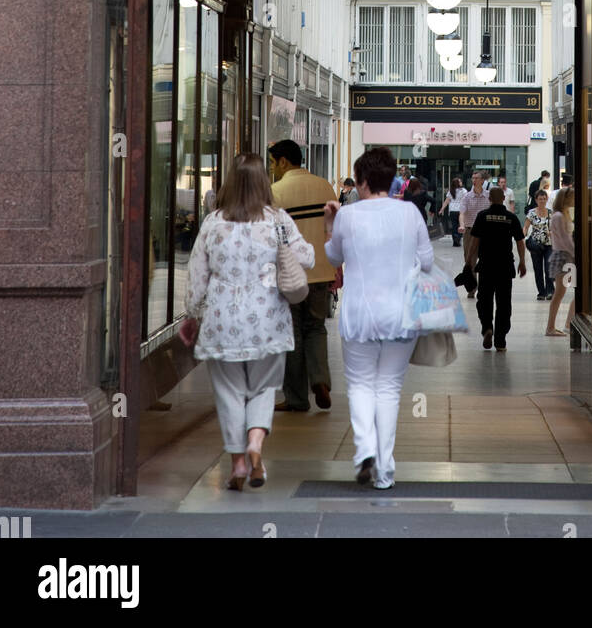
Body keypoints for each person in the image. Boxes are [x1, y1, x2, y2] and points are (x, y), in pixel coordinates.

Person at [185, 152, 314, 490]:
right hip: (267, 321)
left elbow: (197, 276)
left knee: (228, 393)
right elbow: (308, 257)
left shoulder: (213, 222)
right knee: (263, 389)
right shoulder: (277, 220)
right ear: (263, 183)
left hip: (222, 321)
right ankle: (255, 444)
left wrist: (190, 314)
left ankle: (238, 463)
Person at [324, 146, 433, 491]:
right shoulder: (410, 214)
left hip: (359, 315)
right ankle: (384, 471)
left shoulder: (348, 215)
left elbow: (333, 258)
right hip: (401, 315)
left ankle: (365, 451)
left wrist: (330, 226)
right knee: (388, 389)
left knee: (360, 385)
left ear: (364, 181)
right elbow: (427, 262)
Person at [269, 139, 338, 412]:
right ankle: (320, 380)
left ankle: (297, 397)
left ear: (284, 161)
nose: (272, 169)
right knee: (316, 329)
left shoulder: (276, 192)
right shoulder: (325, 186)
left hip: (290, 277)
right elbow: (333, 231)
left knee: (292, 334)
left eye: (274, 163)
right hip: (321, 271)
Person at [465, 186, 526, 352]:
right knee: (504, 303)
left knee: (484, 300)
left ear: (489, 199)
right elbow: (520, 241)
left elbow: (474, 241)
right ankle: (500, 340)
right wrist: (522, 261)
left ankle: (487, 328)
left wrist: (469, 261)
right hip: (505, 266)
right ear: (504, 198)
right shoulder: (511, 217)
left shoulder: (483, 216)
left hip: (486, 266)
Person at [546, 187, 576, 338]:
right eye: (571, 197)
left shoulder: (563, 214)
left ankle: (560, 325)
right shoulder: (558, 216)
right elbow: (565, 239)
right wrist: (576, 253)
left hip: (566, 256)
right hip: (562, 256)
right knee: (559, 293)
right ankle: (550, 327)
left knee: (561, 292)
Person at [457, 171, 490, 299]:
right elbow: (462, 213)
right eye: (473, 178)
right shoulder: (467, 197)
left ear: (482, 181)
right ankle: (472, 288)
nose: (474, 180)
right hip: (470, 231)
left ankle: (484, 287)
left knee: (485, 260)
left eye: (477, 178)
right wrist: (461, 225)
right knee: (469, 260)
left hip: (485, 232)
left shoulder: (488, 196)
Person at [523, 188, 554, 300]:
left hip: (549, 244)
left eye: (544, 199)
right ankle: (541, 292)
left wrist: (552, 232)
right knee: (538, 269)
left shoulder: (550, 213)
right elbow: (526, 226)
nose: (542, 201)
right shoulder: (531, 213)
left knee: (548, 267)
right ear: (536, 200)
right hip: (535, 244)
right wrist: (524, 236)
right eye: (540, 199)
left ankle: (550, 291)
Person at [439, 176, 466, 246]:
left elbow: (446, 201)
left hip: (452, 210)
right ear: (458, 183)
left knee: (454, 225)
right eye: (460, 181)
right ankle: (458, 238)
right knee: (460, 225)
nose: (461, 182)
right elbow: (465, 201)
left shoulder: (451, 191)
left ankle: (455, 240)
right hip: (461, 210)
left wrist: (442, 209)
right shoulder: (463, 191)